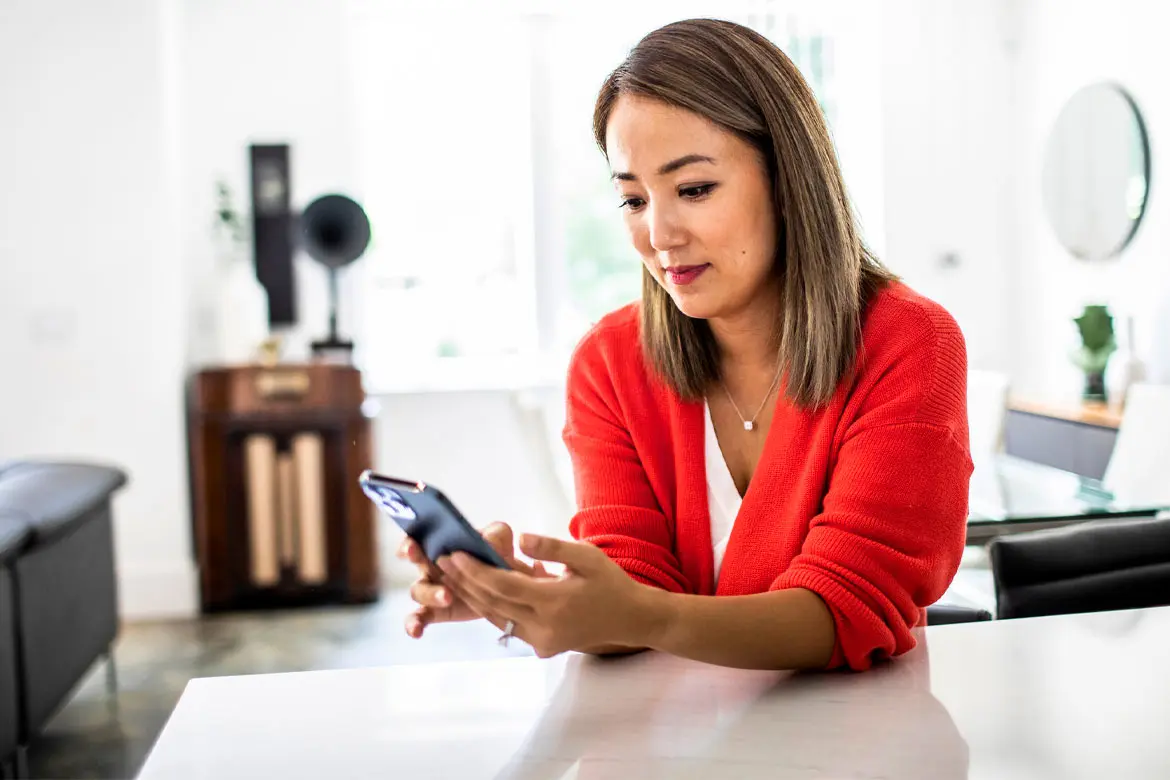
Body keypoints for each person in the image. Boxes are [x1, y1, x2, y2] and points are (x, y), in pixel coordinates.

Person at [399, 17, 972, 672]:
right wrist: (526, 595)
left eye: (694, 190)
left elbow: (849, 608)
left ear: (788, 184)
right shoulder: (609, 363)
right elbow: (632, 586)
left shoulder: (907, 342)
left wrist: (637, 613)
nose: (660, 234)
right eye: (634, 200)